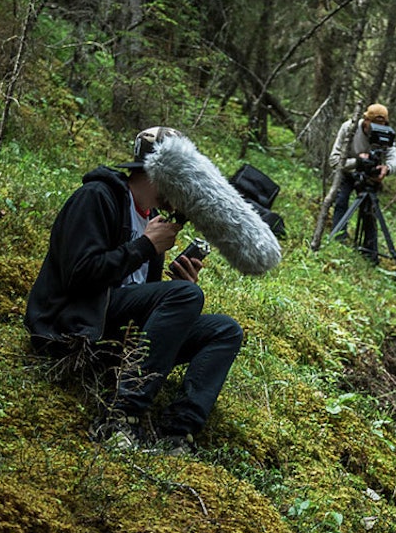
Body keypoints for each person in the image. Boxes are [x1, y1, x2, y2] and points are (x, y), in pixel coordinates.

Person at [24, 126, 244, 453]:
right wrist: (144, 247)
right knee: (185, 297)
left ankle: (178, 431)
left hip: (115, 332)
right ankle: (120, 415)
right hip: (71, 324)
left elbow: (138, 293)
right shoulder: (97, 197)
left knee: (224, 330)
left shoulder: (152, 219)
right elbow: (79, 275)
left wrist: (179, 290)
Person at [327, 103, 396, 262]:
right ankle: (337, 242)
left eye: (382, 125)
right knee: (341, 202)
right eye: (374, 125)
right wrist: (357, 162)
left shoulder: (387, 134)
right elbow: (334, 160)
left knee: (370, 211)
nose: (377, 129)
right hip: (348, 173)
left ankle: (370, 253)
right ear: (366, 120)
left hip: (369, 176)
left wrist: (387, 168)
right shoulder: (349, 128)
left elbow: (394, 158)